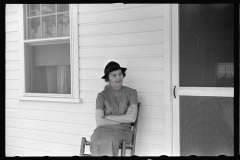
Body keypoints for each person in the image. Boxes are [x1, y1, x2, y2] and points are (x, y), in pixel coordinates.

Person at [90, 61, 138, 156]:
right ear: (108, 78)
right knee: (96, 139)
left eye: (120, 74)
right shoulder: (101, 96)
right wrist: (124, 119)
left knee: (111, 140)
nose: (118, 78)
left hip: (123, 130)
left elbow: (132, 118)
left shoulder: (131, 93)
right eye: (114, 75)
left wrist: (108, 117)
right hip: (102, 130)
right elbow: (99, 122)